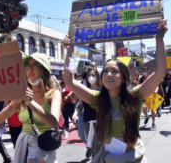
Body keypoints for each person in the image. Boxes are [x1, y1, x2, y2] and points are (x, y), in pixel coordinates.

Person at [63, 19, 167, 162]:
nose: (108, 74)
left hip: (132, 159)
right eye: (105, 71)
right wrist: (70, 50)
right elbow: (69, 80)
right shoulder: (97, 98)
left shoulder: (135, 96)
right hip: (107, 159)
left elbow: (161, 72)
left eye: (114, 71)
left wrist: (159, 39)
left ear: (124, 78)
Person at [0, 52, 62, 163]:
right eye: (27, 66)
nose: (30, 69)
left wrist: (30, 102)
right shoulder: (22, 96)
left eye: (35, 65)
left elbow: (53, 122)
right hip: (24, 151)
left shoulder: (54, 93)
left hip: (45, 151)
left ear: (42, 69)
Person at [82, 66, 103, 159]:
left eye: (93, 75)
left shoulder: (102, 89)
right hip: (87, 119)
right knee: (87, 139)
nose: (91, 77)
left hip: (99, 121)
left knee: (97, 146)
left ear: (97, 76)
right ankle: (89, 148)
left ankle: (94, 157)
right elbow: (80, 102)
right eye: (89, 75)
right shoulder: (84, 89)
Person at [61, 72, 75, 139]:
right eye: (63, 76)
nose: (63, 77)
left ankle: (78, 126)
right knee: (65, 119)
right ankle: (65, 133)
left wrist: (68, 95)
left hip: (70, 104)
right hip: (64, 105)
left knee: (73, 119)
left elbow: (73, 90)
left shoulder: (70, 83)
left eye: (65, 75)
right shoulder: (61, 84)